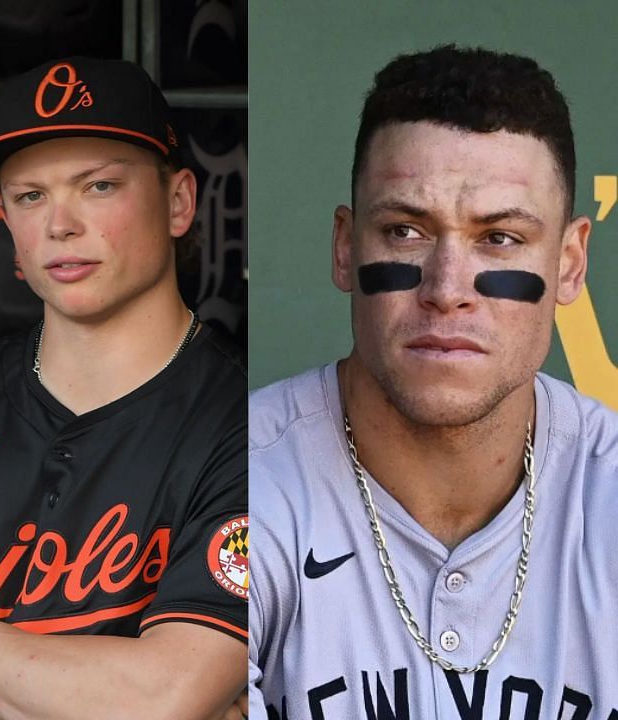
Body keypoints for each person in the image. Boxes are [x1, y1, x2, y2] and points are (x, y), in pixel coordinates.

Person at [249, 45, 618, 717]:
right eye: (406, 231)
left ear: (569, 263)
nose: (447, 290)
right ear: (345, 247)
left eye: (500, 238)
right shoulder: (241, 481)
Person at [0, 57, 249, 720]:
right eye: (31, 196)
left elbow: (165, 696)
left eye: (99, 186)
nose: (60, 224)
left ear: (178, 203)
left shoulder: (254, 430)